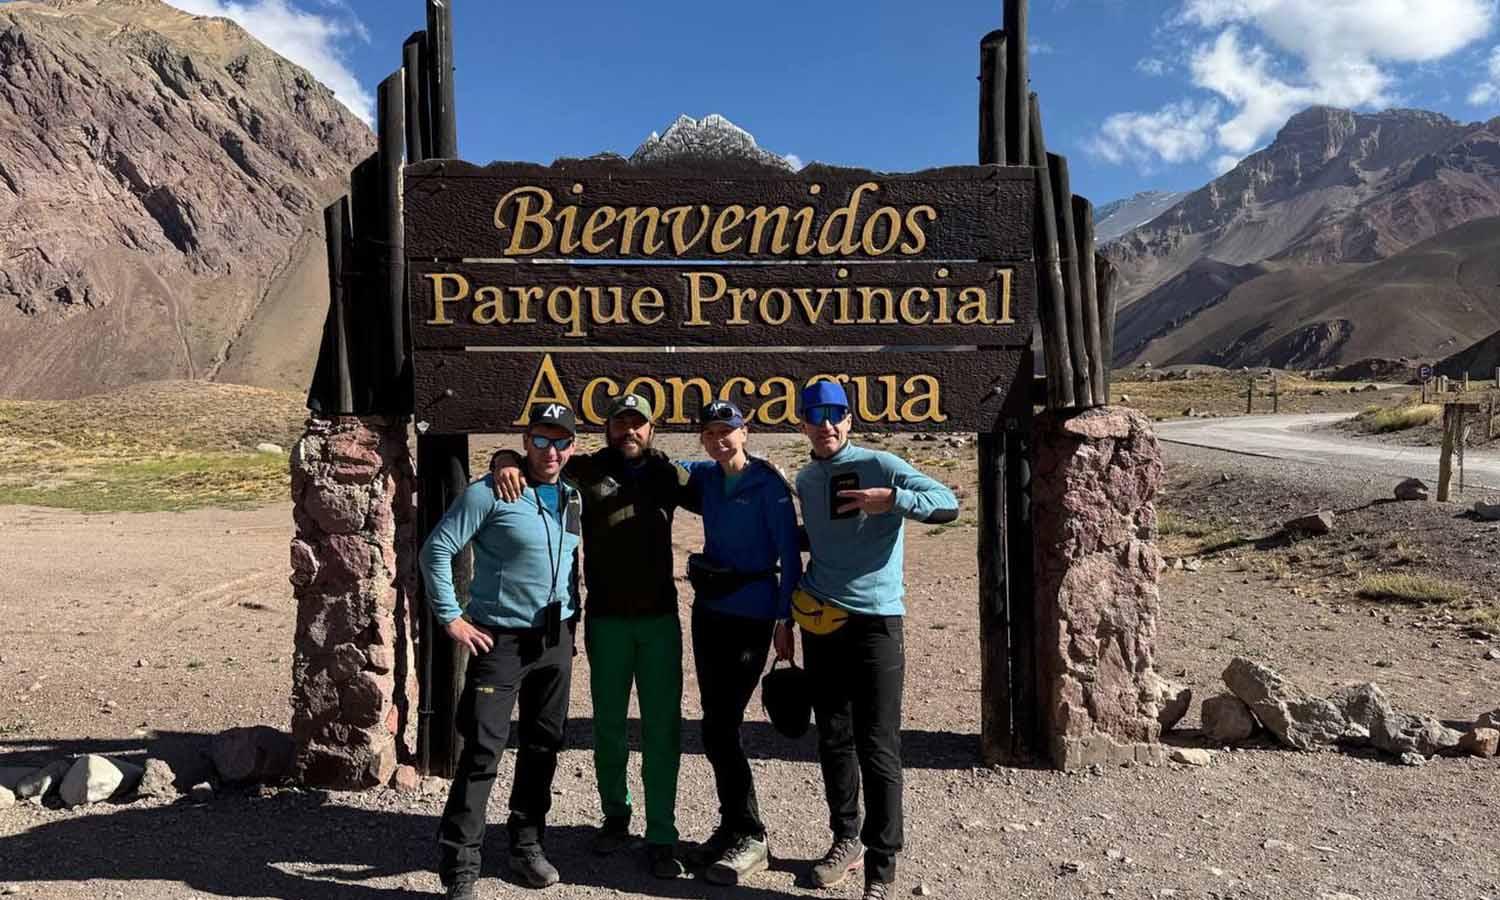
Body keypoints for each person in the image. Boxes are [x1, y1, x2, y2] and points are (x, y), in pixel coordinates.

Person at [489, 392, 693, 879]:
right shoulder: (585, 469)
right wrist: (502, 459)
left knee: (662, 729)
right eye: (620, 423)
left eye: (638, 424)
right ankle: (615, 816)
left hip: (660, 619)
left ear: (651, 428)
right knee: (608, 726)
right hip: (605, 619)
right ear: (607, 429)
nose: (629, 431)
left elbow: (723, 487)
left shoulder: (669, 473)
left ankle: (662, 833)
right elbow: (535, 461)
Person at [790, 380, 959, 900]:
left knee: (878, 743)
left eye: (835, 414)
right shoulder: (806, 478)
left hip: (877, 624)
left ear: (849, 420)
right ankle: (846, 839)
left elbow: (948, 503)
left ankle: (881, 867)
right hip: (821, 620)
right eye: (815, 415)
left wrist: (896, 501)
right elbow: (815, 540)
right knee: (833, 737)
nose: (826, 424)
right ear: (802, 423)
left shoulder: (881, 464)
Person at [420, 402, 584, 899]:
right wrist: (451, 617)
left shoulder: (573, 496)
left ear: (572, 447)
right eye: (539, 440)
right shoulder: (491, 491)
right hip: (501, 641)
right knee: (482, 751)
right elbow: (437, 549)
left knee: (543, 745)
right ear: (526, 439)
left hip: (556, 638)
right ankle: (460, 868)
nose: (550, 451)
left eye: (560, 441)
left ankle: (526, 844)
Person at [676, 400, 802, 885]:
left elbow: (789, 556)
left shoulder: (768, 486)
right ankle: (732, 826)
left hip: (752, 614)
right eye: (710, 433)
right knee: (713, 723)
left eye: (728, 431)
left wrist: (783, 619)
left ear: (745, 432)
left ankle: (751, 834)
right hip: (709, 612)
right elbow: (664, 466)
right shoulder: (706, 479)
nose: (720, 439)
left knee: (723, 724)